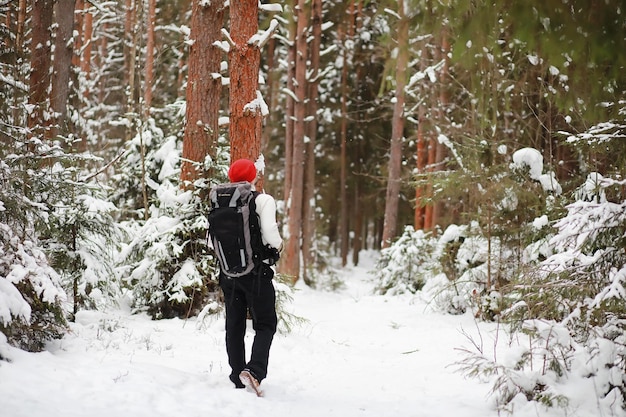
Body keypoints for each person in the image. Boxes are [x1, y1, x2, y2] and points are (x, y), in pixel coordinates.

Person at [216, 159, 283, 396]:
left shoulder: (220, 200)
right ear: (254, 176)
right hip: (256, 273)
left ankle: (236, 375)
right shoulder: (262, 200)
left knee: (234, 324)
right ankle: (254, 371)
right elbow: (270, 233)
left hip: (228, 272)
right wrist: (277, 248)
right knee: (265, 324)